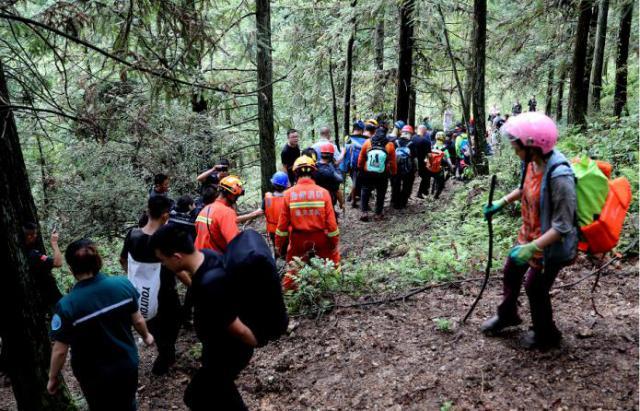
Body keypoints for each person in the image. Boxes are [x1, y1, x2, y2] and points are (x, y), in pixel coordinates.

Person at [480, 112, 577, 350]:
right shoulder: (532, 163)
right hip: (528, 235)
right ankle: (507, 315)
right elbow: (524, 188)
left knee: (535, 286)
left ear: (533, 146)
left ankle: (547, 334)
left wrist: (533, 248)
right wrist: (500, 204)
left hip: (549, 246)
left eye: (517, 147)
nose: (515, 151)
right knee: (511, 271)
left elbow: (563, 226)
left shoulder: (560, 176)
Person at [150, 225, 258, 410]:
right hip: (218, 349)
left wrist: (255, 341)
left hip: (227, 352)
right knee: (220, 391)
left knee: (196, 396)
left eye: (163, 260)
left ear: (176, 257)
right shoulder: (208, 256)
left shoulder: (210, 285)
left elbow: (238, 328)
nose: (164, 265)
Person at [48, 239, 154, 410]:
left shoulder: (67, 305)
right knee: (128, 403)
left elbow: (60, 350)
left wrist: (53, 378)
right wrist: (147, 336)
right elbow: (138, 320)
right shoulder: (123, 285)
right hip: (126, 364)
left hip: (93, 375)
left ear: (71, 268)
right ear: (98, 261)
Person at [120, 195, 182, 375]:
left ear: (148, 211)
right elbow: (179, 268)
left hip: (141, 292)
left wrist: (134, 276)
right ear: (164, 215)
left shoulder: (132, 234)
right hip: (166, 292)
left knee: (153, 322)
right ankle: (165, 356)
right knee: (173, 322)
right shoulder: (165, 239)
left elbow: (123, 259)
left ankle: (164, 352)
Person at [275, 155, 340, 289]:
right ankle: (335, 289)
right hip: (320, 237)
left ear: (295, 173)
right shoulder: (324, 193)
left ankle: (290, 296)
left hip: (298, 239)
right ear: (314, 172)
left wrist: (278, 246)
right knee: (332, 262)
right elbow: (332, 225)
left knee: (293, 269)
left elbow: (282, 227)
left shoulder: (288, 194)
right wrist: (333, 242)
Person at [194, 176, 244, 253]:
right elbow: (234, 242)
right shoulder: (227, 212)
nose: (236, 199)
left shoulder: (205, 209)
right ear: (231, 195)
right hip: (216, 260)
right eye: (237, 196)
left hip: (199, 258)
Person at [357, 128, 397, 221]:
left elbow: (361, 156)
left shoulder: (367, 142)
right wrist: (394, 172)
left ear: (375, 133)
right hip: (382, 173)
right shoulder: (390, 145)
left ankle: (364, 212)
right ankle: (378, 214)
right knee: (381, 192)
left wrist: (360, 167)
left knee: (365, 190)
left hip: (368, 172)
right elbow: (393, 162)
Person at [23, 222, 63, 310]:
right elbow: (58, 263)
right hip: (49, 298)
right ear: (29, 236)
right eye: (34, 234)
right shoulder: (34, 255)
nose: (36, 236)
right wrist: (54, 243)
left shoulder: (27, 251)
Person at [340, 121, 367, 208]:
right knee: (360, 183)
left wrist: (344, 167)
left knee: (355, 181)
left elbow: (345, 152)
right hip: (362, 164)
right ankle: (354, 201)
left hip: (352, 165)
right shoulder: (366, 139)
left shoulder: (348, 138)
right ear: (362, 129)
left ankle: (353, 199)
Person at [390, 125, 416, 209]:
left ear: (401, 132)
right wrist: (416, 168)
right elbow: (414, 158)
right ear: (410, 133)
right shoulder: (412, 144)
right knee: (407, 185)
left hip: (396, 166)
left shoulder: (395, 142)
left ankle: (395, 202)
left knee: (395, 184)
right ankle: (403, 202)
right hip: (408, 168)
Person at [314, 143, 344, 209]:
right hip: (329, 201)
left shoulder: (314, 167)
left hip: (316, 200)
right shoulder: (331, 171)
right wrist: (342, 203)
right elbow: (337, 190)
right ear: (331, 155)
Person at [428, 132, 454, 199]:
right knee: (441, 183)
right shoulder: (444, 149)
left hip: (430, 167)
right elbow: (448, 161)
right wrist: (451, 168)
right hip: (440, 168)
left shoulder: (431, 146)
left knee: (435, 179)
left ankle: (432, 192)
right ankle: (436, 196)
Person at [412, 125, 433, 199]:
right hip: (421, 162)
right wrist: (431, 163)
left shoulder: (412, 139)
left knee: (409, 179)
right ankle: (421, 192)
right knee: (426, 176)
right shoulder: (426, 141)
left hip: (411, 162)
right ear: (424, 130)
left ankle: (406, 195)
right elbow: (430, 155)